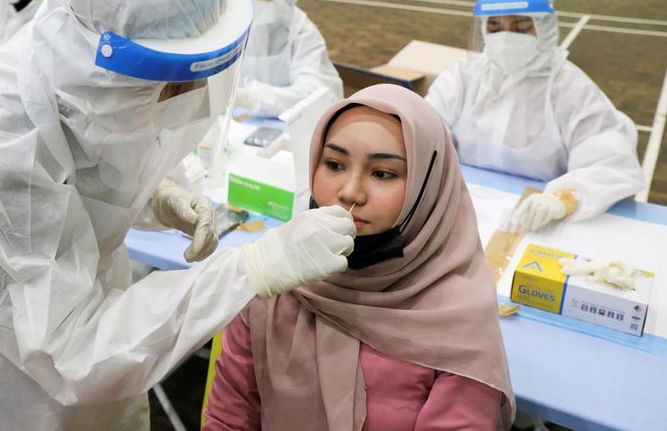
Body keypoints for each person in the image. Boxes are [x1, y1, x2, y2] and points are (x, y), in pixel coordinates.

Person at [0, 0, 356, 429]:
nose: (188, 93)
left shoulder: (76, 76)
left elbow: (96, 151)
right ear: (104, 53)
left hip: (88, 313)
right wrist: (248, 271)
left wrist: (159, 195)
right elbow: (72, 351)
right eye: (174, 76)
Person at [204, 84, 515, 430]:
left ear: (427, 189)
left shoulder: (456, 319)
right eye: (334, 164)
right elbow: (229, 419)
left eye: (382, 173)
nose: (350, 192)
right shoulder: (277, 276)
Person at [425, 0, 644, 232]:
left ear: (545, 27)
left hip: (542, 224)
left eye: (519, 28)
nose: (506, 38)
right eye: (494, 28)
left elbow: (612, 165)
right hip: (465, 210)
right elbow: (425, 128)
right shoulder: (465, 75)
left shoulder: (571, 88)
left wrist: (563, 200)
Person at [230, 0, 343, 117]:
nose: (251, 2)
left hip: (291, 129)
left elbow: (313, 95)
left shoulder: (302, 32)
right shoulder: (232, 28)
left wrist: (251, 98)